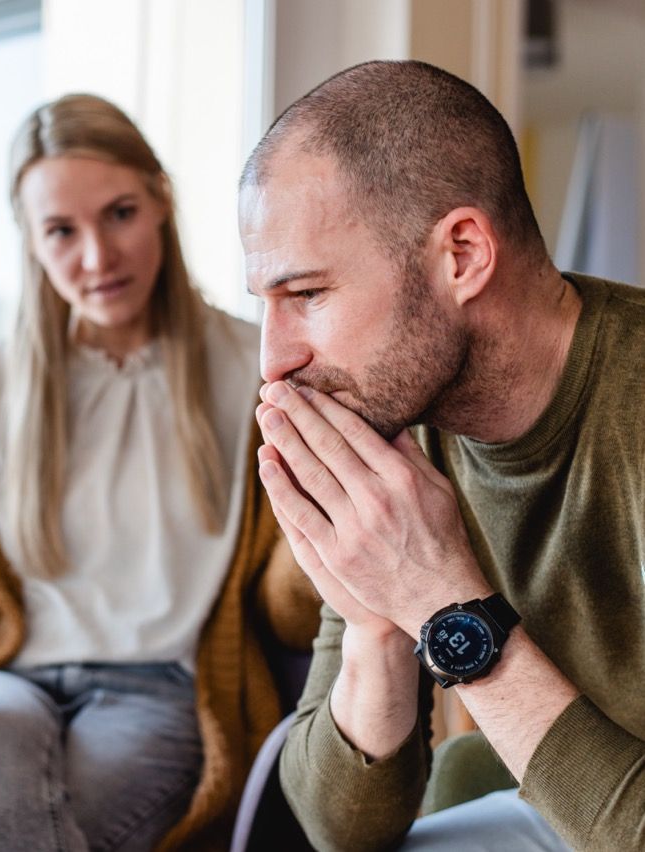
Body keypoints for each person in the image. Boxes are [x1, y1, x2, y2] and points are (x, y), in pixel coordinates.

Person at [0, 93, 319, 851]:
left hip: (161, 695)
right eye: (62, 231)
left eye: (119, 214)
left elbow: (285, 610)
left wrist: (325, 526)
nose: (98, 258)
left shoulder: (255, 371)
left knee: (7, 824)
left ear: (161, 199)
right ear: (31, 241)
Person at [238, 60, 644, 851]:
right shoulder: (398, 430)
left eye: (308, 295)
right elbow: (338, 831)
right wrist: (375, 626)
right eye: (268, 304)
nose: (273, 361)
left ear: (461, 254)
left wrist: (442, 602)